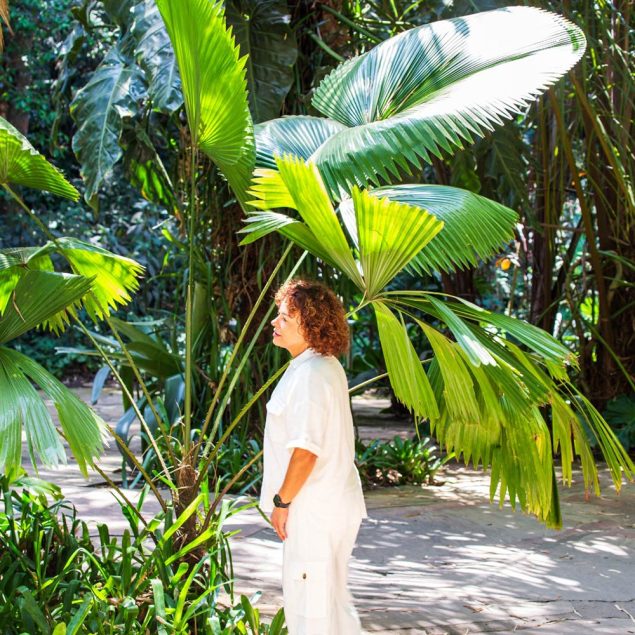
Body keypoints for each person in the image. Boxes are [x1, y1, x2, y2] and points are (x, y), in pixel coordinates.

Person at [259, 278, 367, 635]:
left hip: (313, 509)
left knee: (311, 613)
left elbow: (306, 451)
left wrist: (282, 501)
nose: (275, 322)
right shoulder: (319, 366)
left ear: (311, 325)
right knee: (329, 606)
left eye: (285, 318)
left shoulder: (311, 374)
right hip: (327, 505)